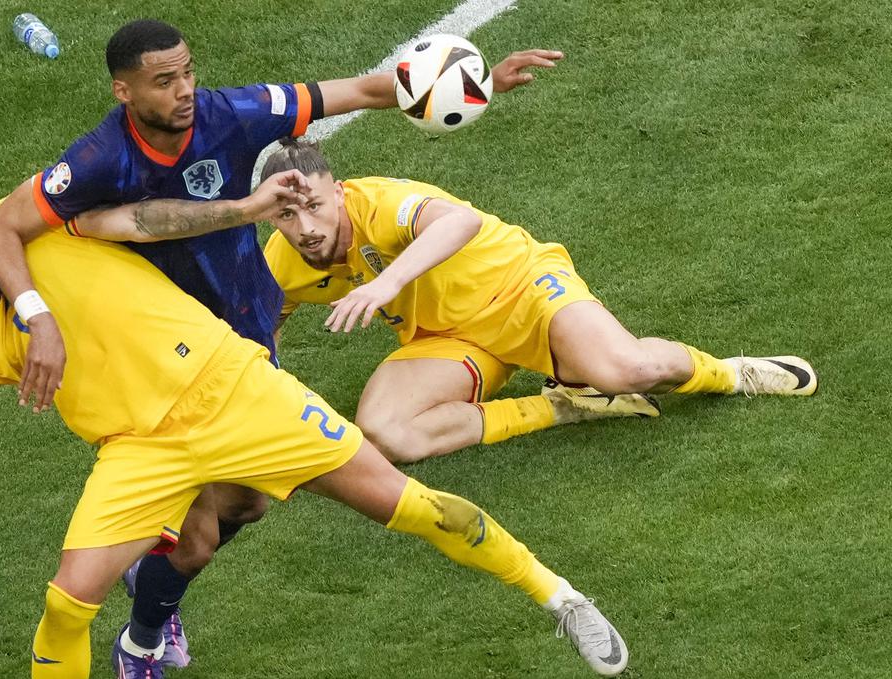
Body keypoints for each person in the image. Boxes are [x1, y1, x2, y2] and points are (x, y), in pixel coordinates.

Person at [0, 216, 629, 679]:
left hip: (239, 393)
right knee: (66, 600)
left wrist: (253, 198)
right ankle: (142, 635)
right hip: (139, 451)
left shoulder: (42, 237)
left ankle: (561, 599)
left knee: (413, 507)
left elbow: (147, 208)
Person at [0, 18, 565, 679]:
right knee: (195, 539)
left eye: (188, 72)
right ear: (124, 91)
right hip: (166, 362)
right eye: (164, 81)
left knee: (246, 505)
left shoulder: (234, 112)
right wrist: (37, 316)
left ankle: (154, 583)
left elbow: (360, 91)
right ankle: (140, 645)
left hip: (245, 340)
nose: (185, 90)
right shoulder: (99, 160)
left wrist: (461, 87)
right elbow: (1, 228)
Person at [256, 139, 817, 462]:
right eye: (286, 215)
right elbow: (260, 333)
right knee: (384, 432)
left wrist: (383, 284)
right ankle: (563, 405)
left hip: (523, 289)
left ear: (339, 193)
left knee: (630, 370)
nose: (306, 227)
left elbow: (460, 221)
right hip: (448, 339)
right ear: (267, 214)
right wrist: (269, 397)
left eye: (315, 207)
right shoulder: (278, 263)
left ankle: (731, 373)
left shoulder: (381, 203)